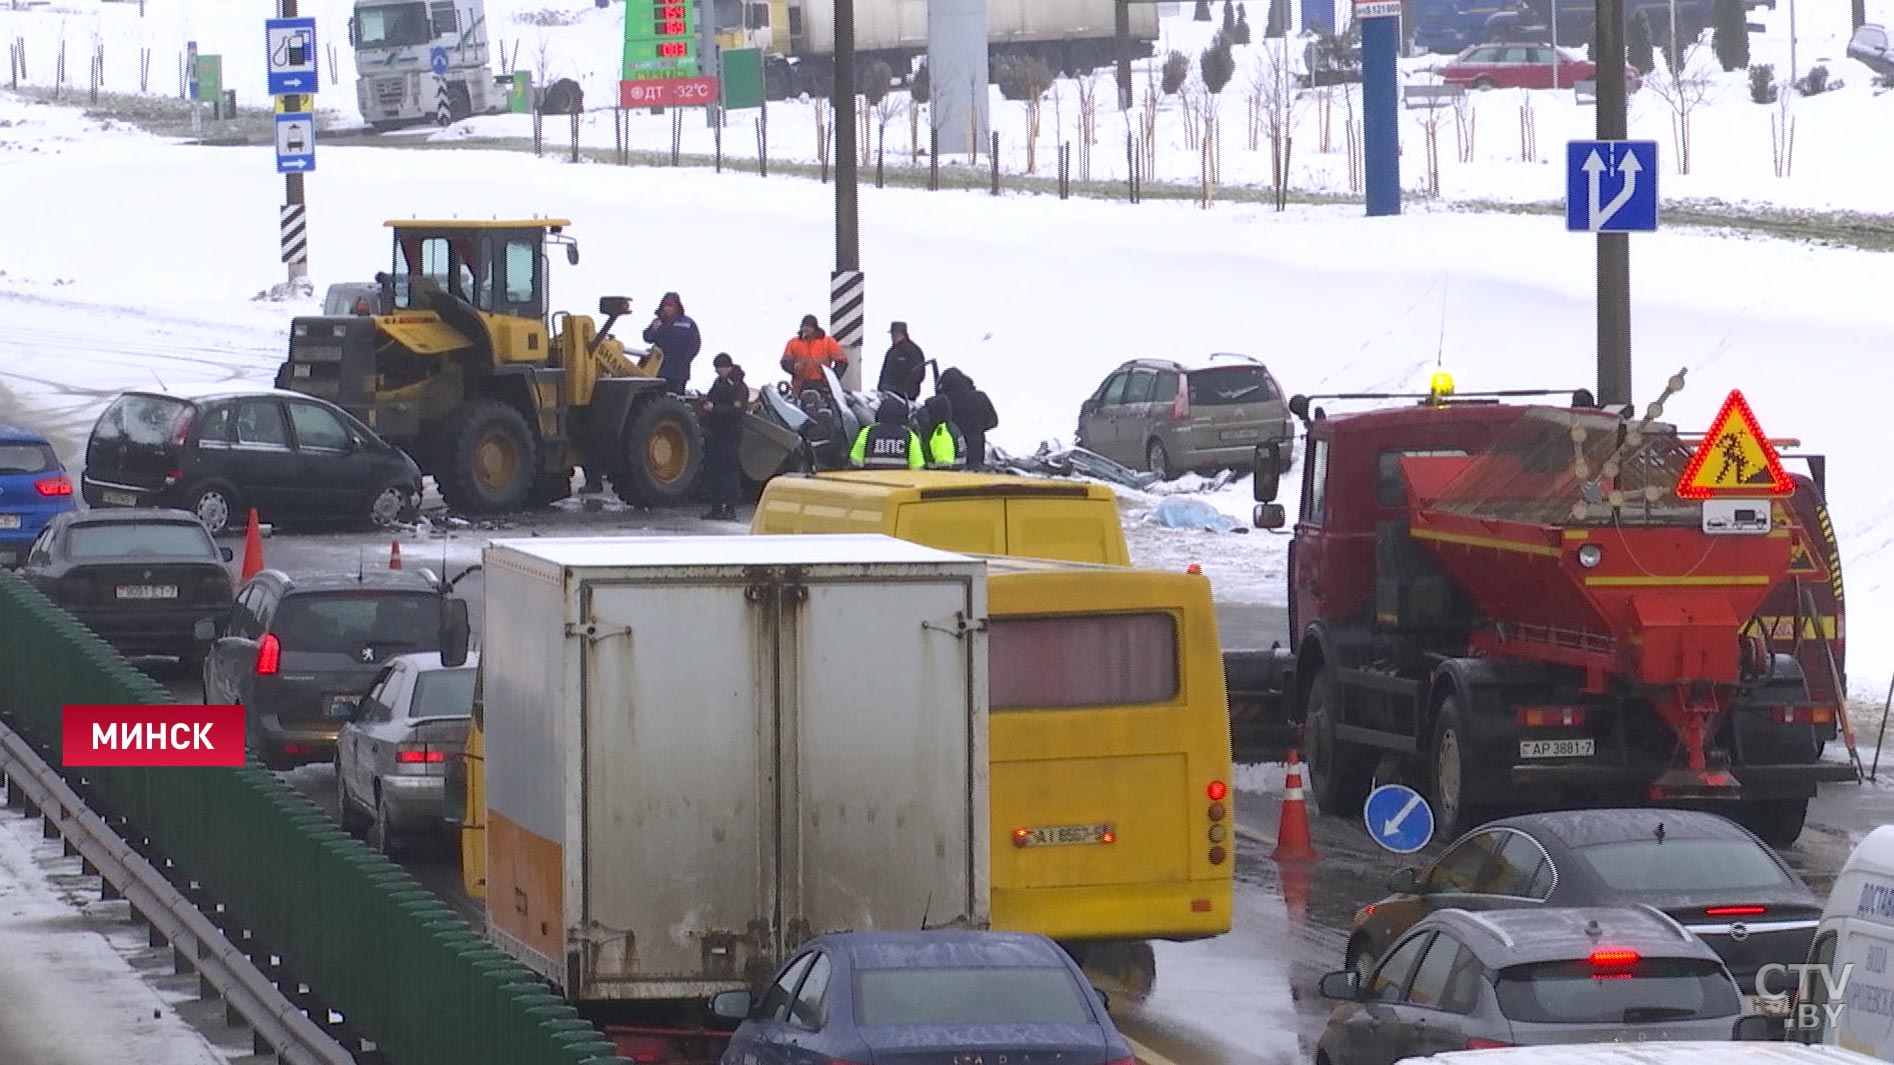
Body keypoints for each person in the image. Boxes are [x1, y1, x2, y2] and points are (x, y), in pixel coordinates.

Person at [698, 353, 748, 521]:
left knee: (729, 471)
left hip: (730, 434)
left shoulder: (739, 387)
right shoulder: (718, 383)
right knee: (713, 471)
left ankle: (730, 508)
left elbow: (737, 411)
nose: (718, 372)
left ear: (727, 367)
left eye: (720, 368)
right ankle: (716, 507)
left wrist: (715, 408)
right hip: (715, 433)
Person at [937, 367, 999, 470]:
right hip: (976, 455)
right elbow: (993, 421)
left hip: (950, 455)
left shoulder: (942, 401)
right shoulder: (980, 397)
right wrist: (976, 429)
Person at [642, 292, 702, 392]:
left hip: (679, 372)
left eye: (670, 305)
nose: (667, 308)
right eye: (665, 305)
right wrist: (653, 329)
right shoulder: (657, 322)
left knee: (674, 400)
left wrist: (685, 360)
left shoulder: (688, 323)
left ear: (677, 307)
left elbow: (695, 344)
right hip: (657, 370)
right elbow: (647, 338)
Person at [849, 396, 924, 470]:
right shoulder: (909, 436)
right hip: (899, 481)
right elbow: (917, 466)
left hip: (872, 480)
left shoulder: (867, 432)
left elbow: (855, 461)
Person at [781, 314, 846, 394]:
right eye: (804, 327)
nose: (805, 329)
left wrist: (831, 378)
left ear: (815, 328)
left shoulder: (828, 342)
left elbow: (842, 362)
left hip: (822, 385)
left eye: (808, 327)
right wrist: (793, 368)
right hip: (800, 386)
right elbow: (784, 362)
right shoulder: (793, 342)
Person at [877, 322, 926, 401]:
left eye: (895, 334)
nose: (892, 337)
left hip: (905, 397)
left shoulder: (913, 350)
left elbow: (919, 373)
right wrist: (880, 389)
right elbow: (884, 373)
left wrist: (906, 390)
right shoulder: (891, 352)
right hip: (888, 395)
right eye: (892, 334)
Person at [920, 394, 966, 469]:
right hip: (958, 475)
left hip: (943, 477)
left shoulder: (941, 435)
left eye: (928, 409)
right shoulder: (950, 426)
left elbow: (944, 467)